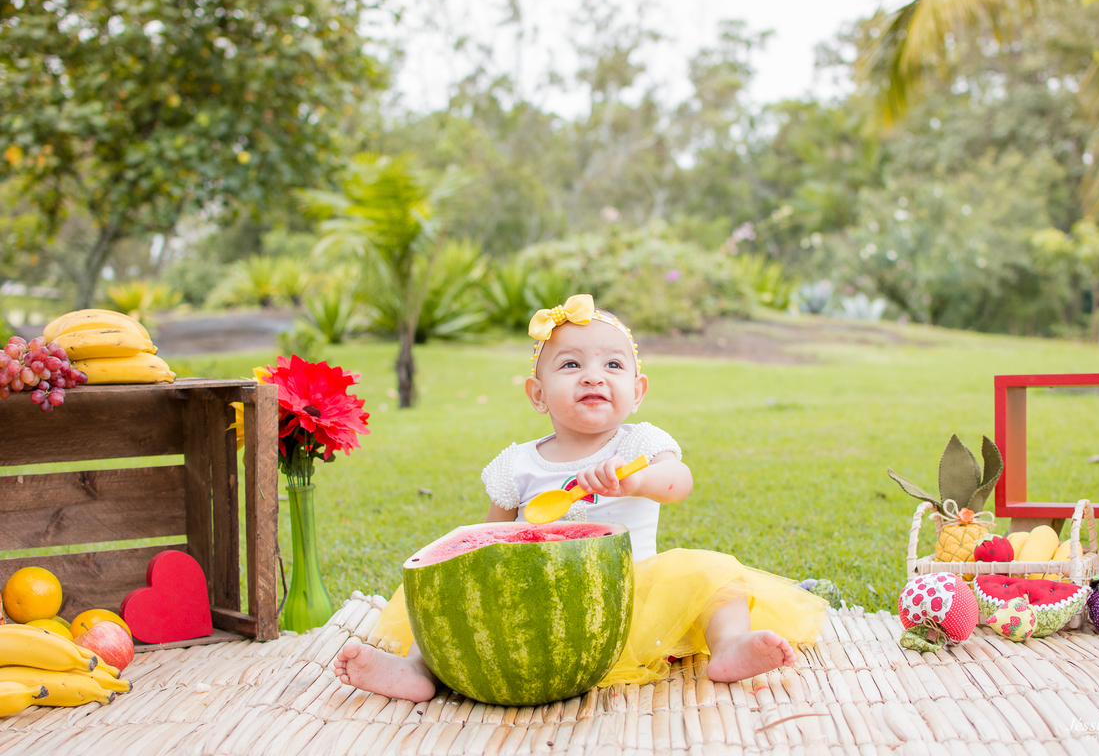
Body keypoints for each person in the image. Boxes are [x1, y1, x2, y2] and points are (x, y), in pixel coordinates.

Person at [333, 294, 827, 701]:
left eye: (612, 365)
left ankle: (731, 645)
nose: (593, 376)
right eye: (571, 364)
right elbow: (486, 538)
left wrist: (636, 481)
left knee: (715, 574)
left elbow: (680, 482)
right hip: (537, 608)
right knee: (455, 595)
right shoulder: (517, 463)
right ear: (537, 394)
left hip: (634, 596)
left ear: (637, 390)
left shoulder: (639, 444)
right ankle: (417, 668)